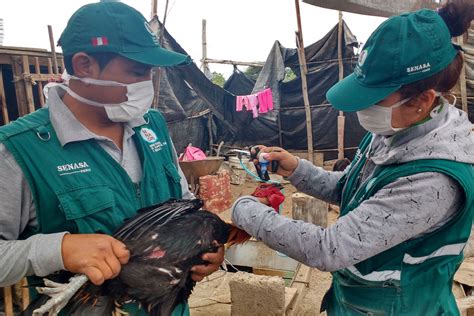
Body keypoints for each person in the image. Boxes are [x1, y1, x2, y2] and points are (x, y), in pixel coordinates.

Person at [232, 1, 474, 315]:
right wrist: (297, 170)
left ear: (422, 101)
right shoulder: (398, 128)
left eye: (374, 98)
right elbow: (351, 189)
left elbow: (330, 248)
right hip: (358, 301)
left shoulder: (434, 178)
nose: (363, 109)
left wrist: (243, 210)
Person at [0, 2, 224, 315]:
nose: (149, 80)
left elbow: (182, 203)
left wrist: (205, 248)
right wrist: (58, 250)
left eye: (150, 69)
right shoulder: (19, 151)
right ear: (84, 65)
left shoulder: (154, 127)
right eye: (137, 70)